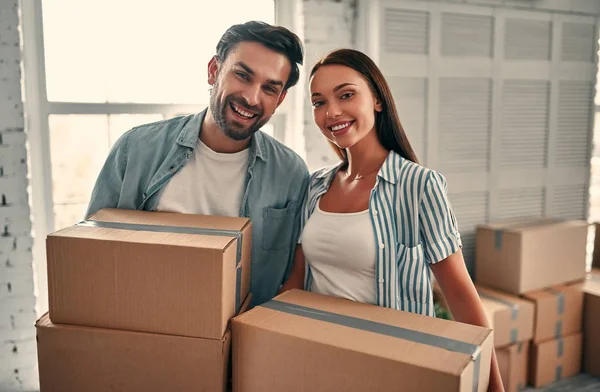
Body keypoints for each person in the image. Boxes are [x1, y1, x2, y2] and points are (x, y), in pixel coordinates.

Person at [281, 48, 504, 392]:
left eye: (346, 95)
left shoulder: (419, 186)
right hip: (318, 363)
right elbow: (296, 282)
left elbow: (460, 295)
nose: (332, 111)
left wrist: (493, 387)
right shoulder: (315, 185)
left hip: (388, 372)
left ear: (378, 100)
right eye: (318, 102)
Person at [86, 21, 310, 307]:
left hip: (243, 339)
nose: (252, 97)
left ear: (280, 99)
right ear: (214, 70)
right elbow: (92, 254)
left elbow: (291, 276)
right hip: (143, 325)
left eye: (269, 88)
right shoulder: (136, 149)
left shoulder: (291, 173)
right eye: (242, 75)